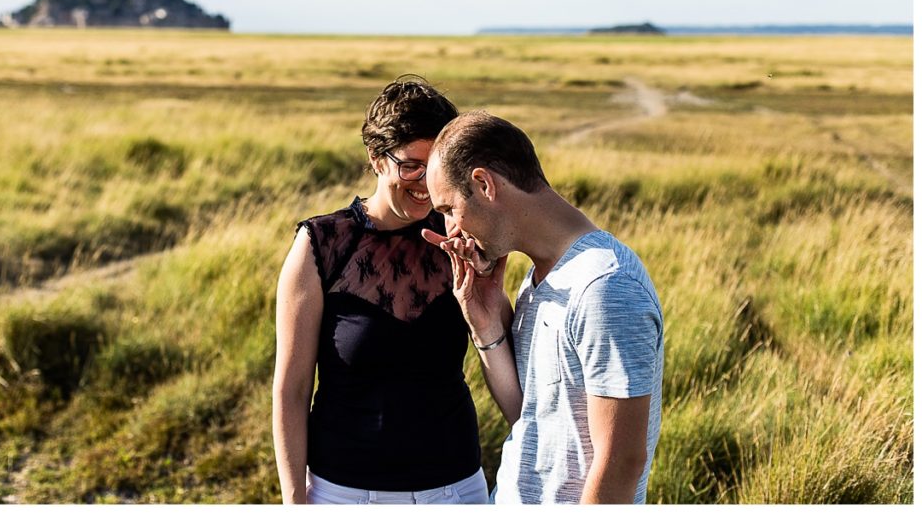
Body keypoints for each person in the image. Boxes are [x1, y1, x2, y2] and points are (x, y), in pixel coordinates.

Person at [422, 111, 664, 504]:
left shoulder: (604, 286)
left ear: (483, 184)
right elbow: (529, 416)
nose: (450, 229)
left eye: (449, 209)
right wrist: (484, 321)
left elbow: (622, 461)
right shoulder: (539, 279)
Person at [272, 76, 490, 505]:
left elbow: (497, 354)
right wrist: (294, 499)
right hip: (344, 493)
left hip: (457, 490)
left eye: (438, 167)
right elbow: (291, 389)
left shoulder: (464, 238)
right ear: (376, 158)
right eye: (411, 165)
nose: (425, 183)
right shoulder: (322, 244)